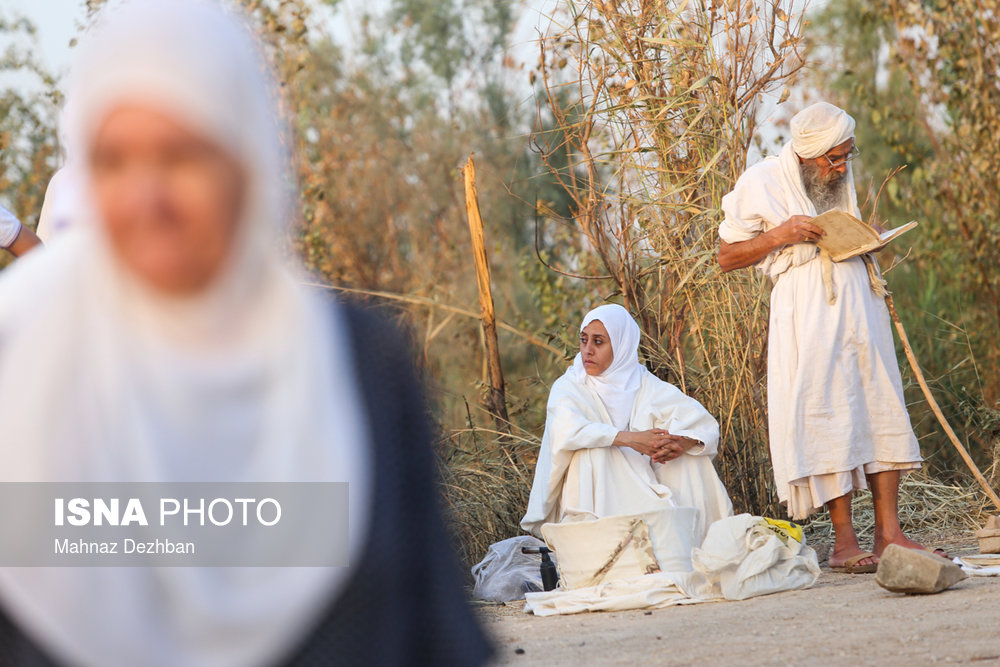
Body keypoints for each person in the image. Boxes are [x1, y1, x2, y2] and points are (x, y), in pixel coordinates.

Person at [0, 1, 491, 665]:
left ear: (248, 157)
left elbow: (429, 636)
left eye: (182, 156)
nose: (148, 200)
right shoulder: (23, 369)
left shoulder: (356, 364)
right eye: (112, 161)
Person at [716, 101, 931, 573]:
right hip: (807, 314)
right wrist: (781, 235)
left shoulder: (838, 178)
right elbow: (727, 257)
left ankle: (890, 534)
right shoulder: (762, 181)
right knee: (827, 414)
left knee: (879, 406)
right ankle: (844, 543)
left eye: (847, 156)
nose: (841, 167)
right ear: (808, 155)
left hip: (860, 308)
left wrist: (863, 236)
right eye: (834, 158)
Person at [521, 304, 733, 544]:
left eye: (598, 342)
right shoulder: (569, 386)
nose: (587, 351)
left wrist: (681, 442)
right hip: (596, 490)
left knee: (690, 458)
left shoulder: (643, 383)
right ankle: (601, 544)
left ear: (621, 346)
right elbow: (567, 430)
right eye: (583, 340)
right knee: (591, 450)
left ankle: (704, 544)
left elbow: (702, 423)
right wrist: (632, 439)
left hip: (645, 479)